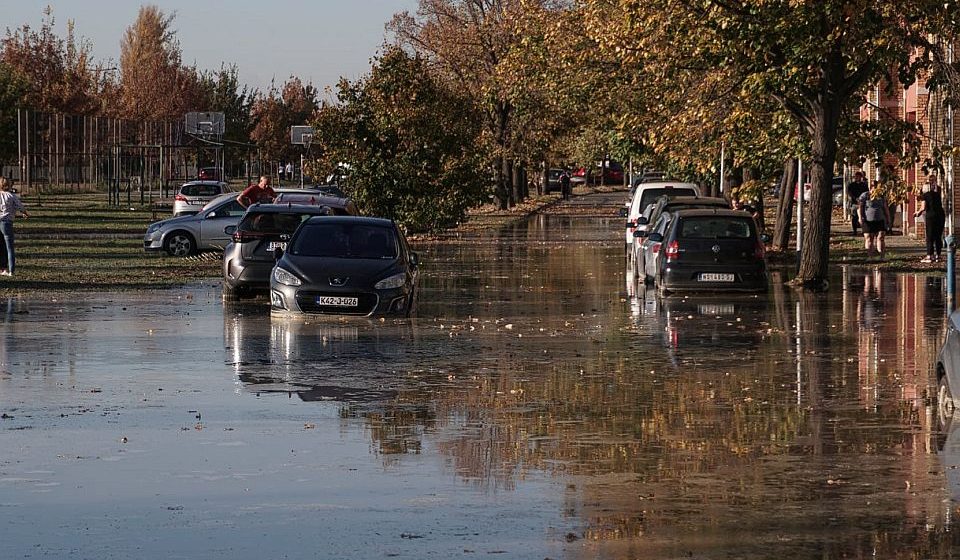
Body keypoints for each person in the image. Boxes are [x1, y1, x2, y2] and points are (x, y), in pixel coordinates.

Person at [0, 177, 29, 276]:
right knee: (9, 248)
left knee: (1, 247)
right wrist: (24, 213)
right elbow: (20, 206)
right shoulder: (11, 196)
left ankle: (2, 268)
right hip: (6, 223)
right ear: (9, 185)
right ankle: (11, 271)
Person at [914, 178, 945, 263]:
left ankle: (929, 256)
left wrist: (917, 213)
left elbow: (923, 207)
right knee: (938, 236)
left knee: (930, 236)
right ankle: (938, 256)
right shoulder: (937, 194)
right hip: (940, 215)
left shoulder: (925, 195)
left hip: (931, 216)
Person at [858, 181, 891, 260]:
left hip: (880, 219)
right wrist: (860, 217)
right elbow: (860, 208)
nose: (875, 188)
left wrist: (888, 218)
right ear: (870, 187)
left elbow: (885, 208)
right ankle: (870, 256)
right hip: (868, 220)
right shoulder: (865, 195)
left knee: (881, 237)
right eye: (873, 186)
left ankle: (882, 256)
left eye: (876, 186)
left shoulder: (881, 196)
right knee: (869, 238)